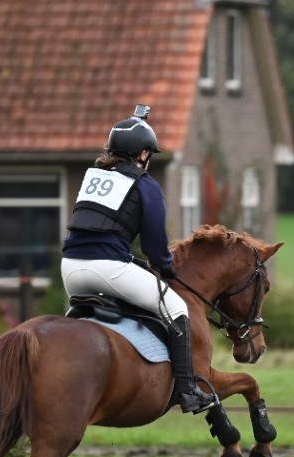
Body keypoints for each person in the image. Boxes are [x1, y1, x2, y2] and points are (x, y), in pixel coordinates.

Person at [61, 105, 214, 414]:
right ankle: (188, 391)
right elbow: (156, 245)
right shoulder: (145, 185)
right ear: (143, 153)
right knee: (176, 307)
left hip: (70, 269)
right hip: (109, 268)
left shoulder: (93, 177)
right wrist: (166, 268)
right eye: (149, 153)